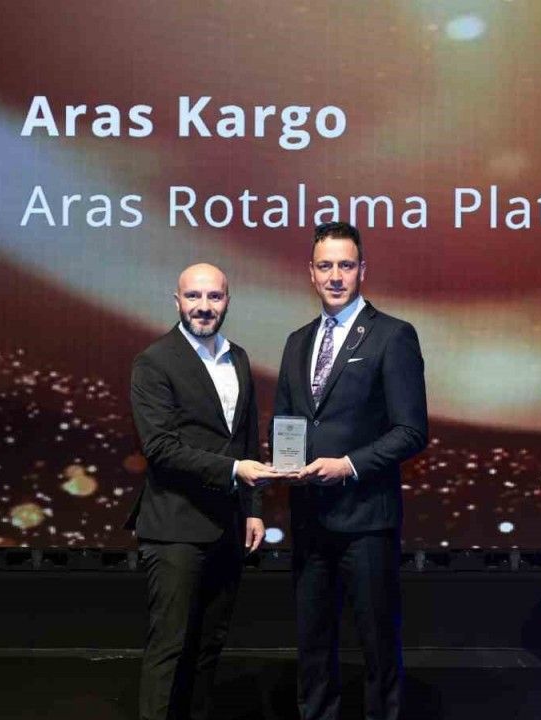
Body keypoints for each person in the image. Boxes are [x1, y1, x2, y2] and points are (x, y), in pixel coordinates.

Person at [273, 222, 428, 720]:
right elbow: (287, 423)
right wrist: (282, 466)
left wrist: (349, 465)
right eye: (326, 266)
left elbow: (411, 431)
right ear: (311, 273)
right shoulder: (297, 341)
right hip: (309, 520)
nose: (335, 276)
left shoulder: (393, 335)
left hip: (367, 522)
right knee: (313, 644)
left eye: (345, 265)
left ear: (362, 270)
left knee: (377, 645)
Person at [126, 263, 284, 720]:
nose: (203, 306)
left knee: (209, 646)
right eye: (193, 296)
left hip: (228, 527)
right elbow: (160, 448)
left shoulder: (239, 358)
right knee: (170, 649)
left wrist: (253, 510)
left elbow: (248, 442)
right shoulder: (154, 362)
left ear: (227, 301)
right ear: (176, 301)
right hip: (175, 526)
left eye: (214, 297)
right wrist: (235, 470)